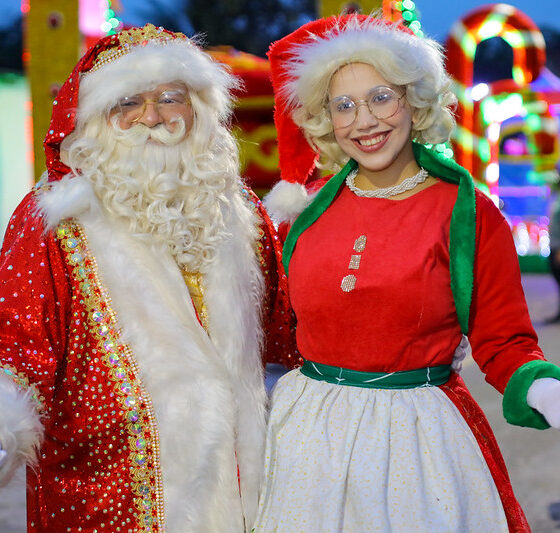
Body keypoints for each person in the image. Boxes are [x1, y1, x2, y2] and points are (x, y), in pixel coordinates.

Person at [253, 14, 560, 532]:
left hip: (417, 443)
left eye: (380, 97)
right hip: (306, 440)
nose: (364, 121)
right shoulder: (304, 217)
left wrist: (544, 391)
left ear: (414, 102)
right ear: (326, 118)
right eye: (343, 105)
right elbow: (280, 335)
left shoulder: (466, 211)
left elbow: (504, 340)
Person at [0, 24, 295, 532]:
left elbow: (292, 327)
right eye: (128, 103)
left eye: (169, 99)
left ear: (198, 108)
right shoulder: (52, 219)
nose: (152, 118)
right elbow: (18, 348)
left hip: (240, 485)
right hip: (110, 490)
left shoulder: (240, 212)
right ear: (95, 121)